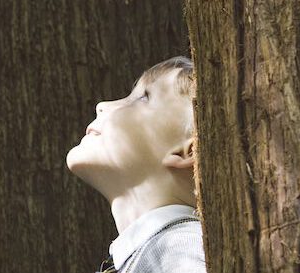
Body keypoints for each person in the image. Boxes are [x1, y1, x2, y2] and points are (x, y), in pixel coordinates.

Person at [65, 57, 206, 273]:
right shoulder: (160, 250)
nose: (102, 106)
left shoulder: (178, 248)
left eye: (143, 98)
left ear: (187, 151)